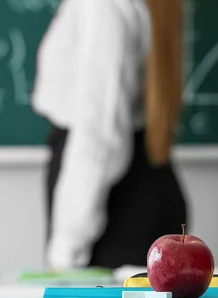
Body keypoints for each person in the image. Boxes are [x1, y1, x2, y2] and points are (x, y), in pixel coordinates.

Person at [31, 0, 188, 270]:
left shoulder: (103, 5)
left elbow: (99, 131)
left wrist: (67, 246)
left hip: (115, 207)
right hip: (139, 190)